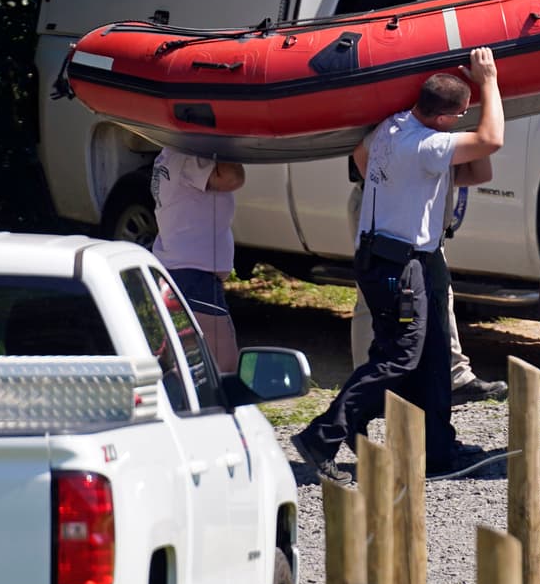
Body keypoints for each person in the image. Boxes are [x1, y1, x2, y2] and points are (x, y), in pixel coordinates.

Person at [292, 47, 504, 484]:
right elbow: (491, 142)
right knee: (398, 358)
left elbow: (473, 170)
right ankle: (323, 435)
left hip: (405, 257)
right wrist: (489, 82)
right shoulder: (425, 145)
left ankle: (437, 450)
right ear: (445, 119)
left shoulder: (392, 126)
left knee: (431, 356)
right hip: (397, 262)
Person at [347, 181, 507, 403]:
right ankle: (371, 389)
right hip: (387, 208)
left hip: (420, 206)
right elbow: (365, 161)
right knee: (379, 298)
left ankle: (453, 377)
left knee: (439, 291)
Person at [150, 148, 245, 369]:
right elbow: (232, 177)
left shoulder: (169, 154)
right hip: (193, 276)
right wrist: (227, 135)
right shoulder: (191, 156)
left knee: (183, 367)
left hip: (178, 272)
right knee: (223, 368)